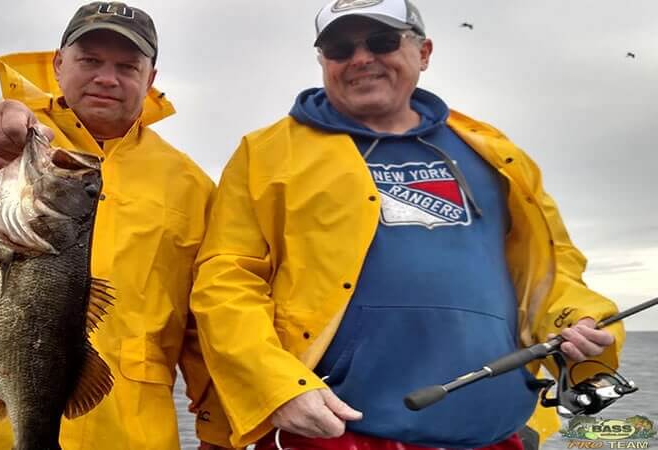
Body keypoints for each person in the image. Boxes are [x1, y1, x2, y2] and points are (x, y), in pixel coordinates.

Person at [190, 0, 624, 449]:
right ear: (323, 61)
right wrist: (275, 385)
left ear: (424, 52)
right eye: (340, 48)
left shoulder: (496, 154)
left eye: (381, 42)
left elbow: (553, 269)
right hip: (333, 430)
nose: (361, 58)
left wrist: (580, 319)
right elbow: (226, 281)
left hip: (495, 431)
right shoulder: (265, 154)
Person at [0, 2, 231, 449]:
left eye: (127, 66)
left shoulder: (193, 186)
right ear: (58, 64)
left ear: (150, 79)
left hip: (123, 434)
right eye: (89, 60)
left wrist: (218, 429)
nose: (106, 78)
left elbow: (203, 322)